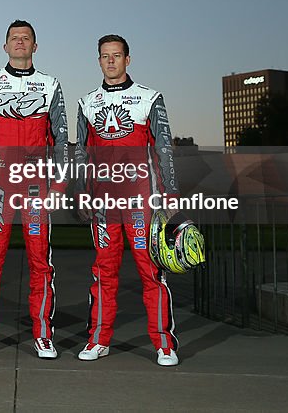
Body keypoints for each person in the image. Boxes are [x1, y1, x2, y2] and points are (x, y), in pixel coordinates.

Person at [0, 19, 67, 359]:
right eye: (14, 38)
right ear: (5, 46)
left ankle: (43, 335)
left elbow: (62, 139)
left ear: (35, 47)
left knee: (41, 262)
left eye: (26, 38)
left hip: (36, 187)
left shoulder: (50, 85)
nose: (20, 42)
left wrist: (60, 184)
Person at [73, 34, 180, 366]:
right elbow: (81, 154)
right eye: (104, 56)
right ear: (99, 60)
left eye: (116, 55)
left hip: (140, 200)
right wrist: (80, 195)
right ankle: (99, 339)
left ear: (127, 59)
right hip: (104, 203)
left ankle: (164, 344)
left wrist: (170, 195)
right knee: (104, 272)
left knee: (151, 271)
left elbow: (164, 149)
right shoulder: (87, 102)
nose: (110, 61)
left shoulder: (149, 98)